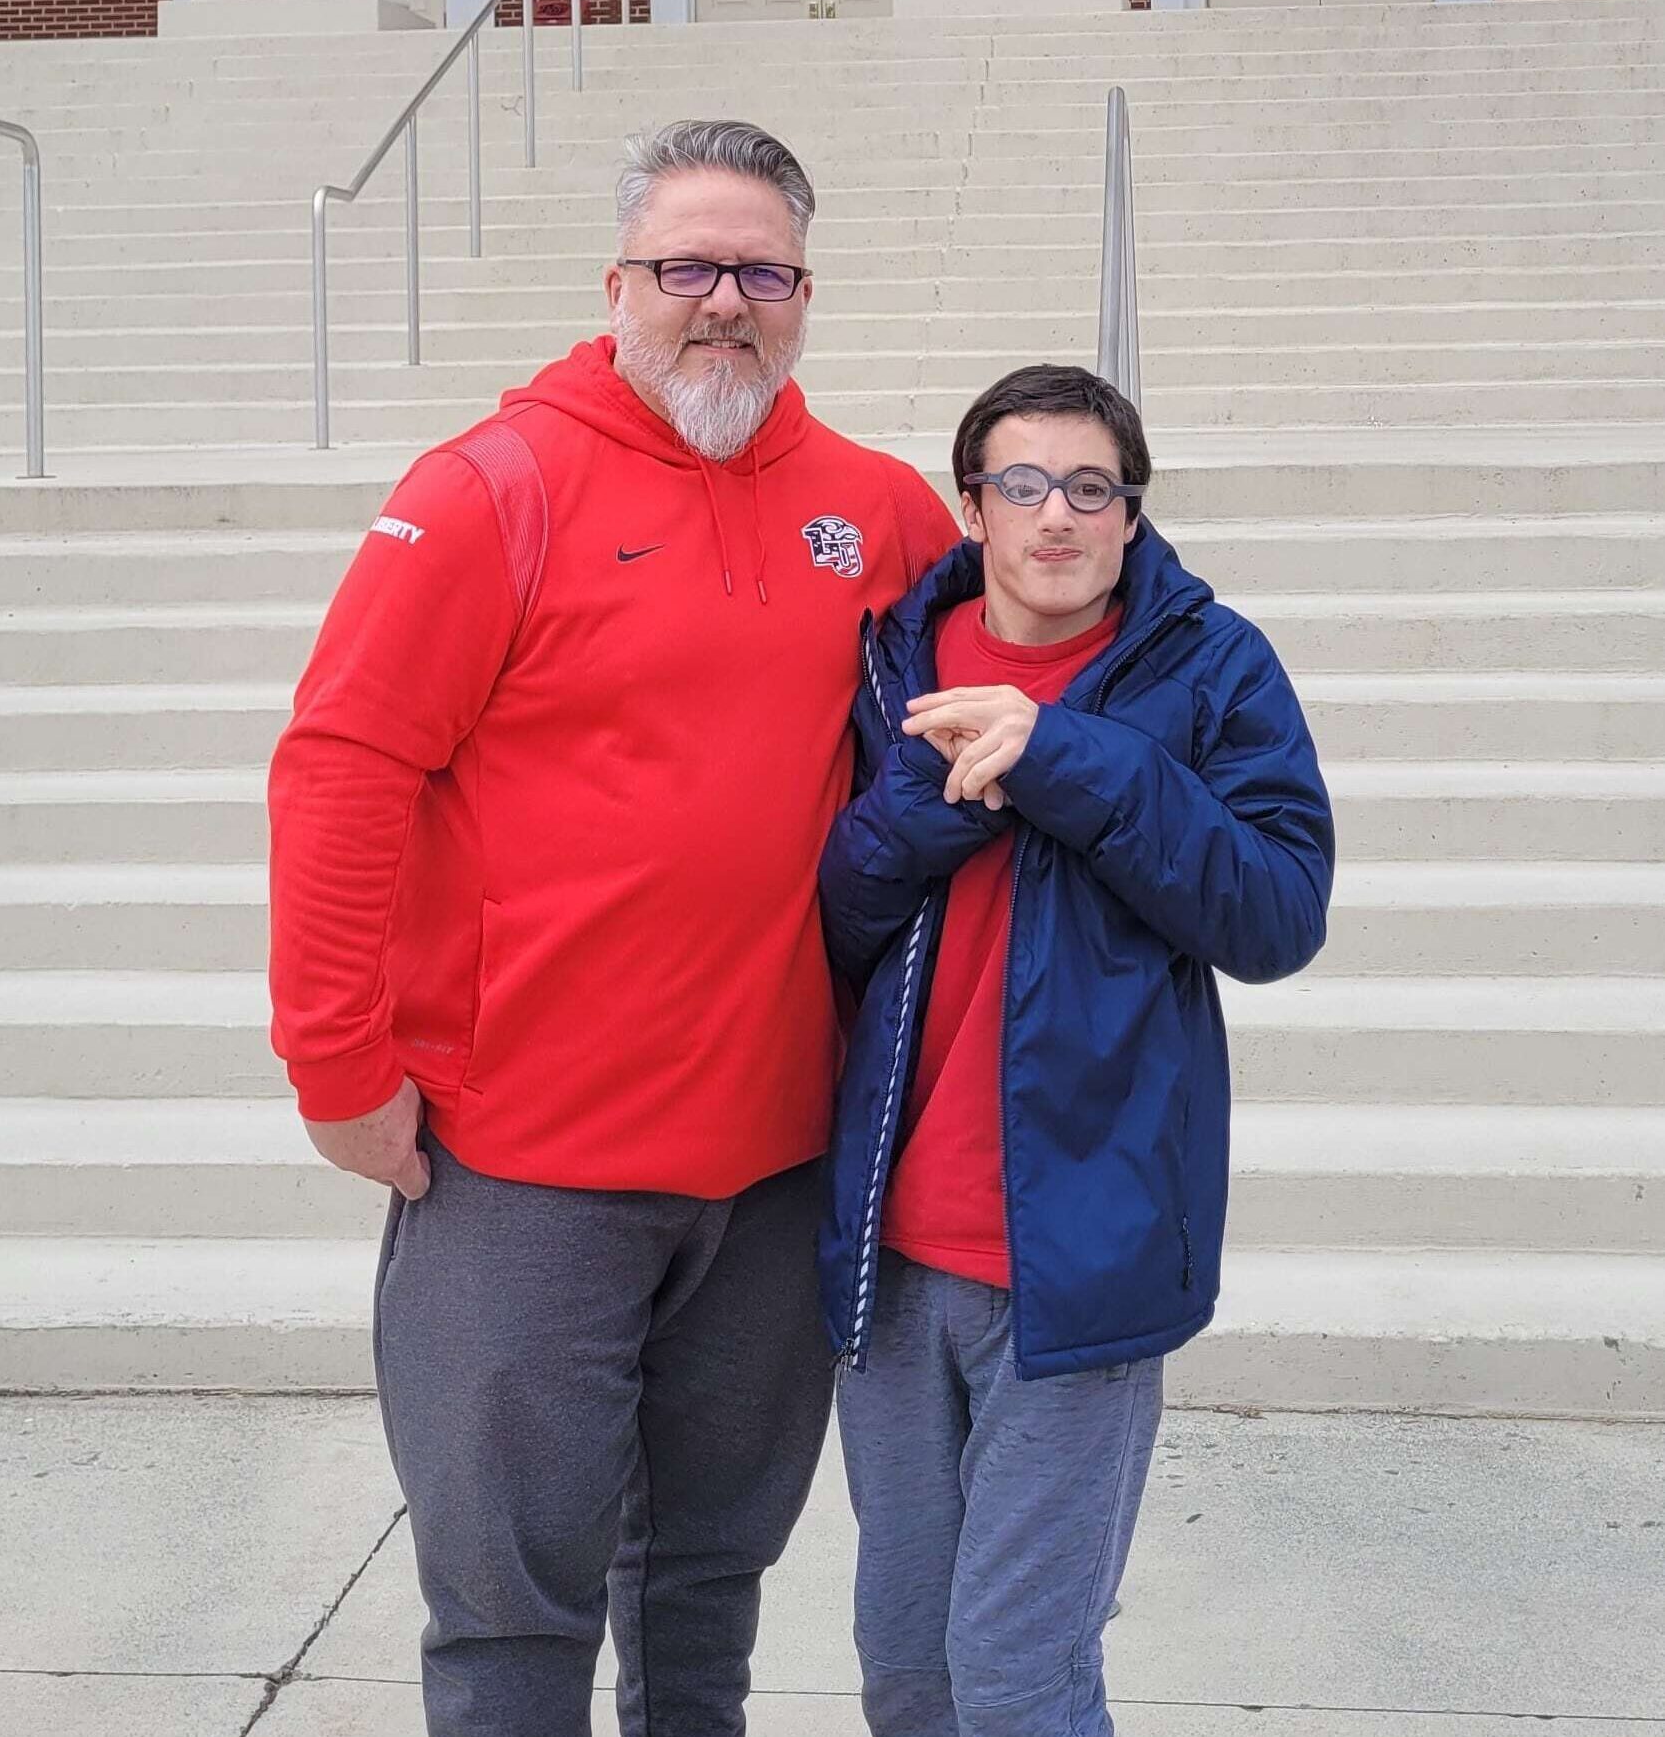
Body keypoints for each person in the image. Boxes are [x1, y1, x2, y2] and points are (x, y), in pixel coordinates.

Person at [267, 119, 961, 1736]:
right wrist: (334, 1061)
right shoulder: (486, 489)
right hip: (522, 1162)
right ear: (619, 284)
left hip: (776, 1156)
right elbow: (341, 770)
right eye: (689, 267)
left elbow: (1020, 686)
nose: (725, 302)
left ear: (803, 291)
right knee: (511, 1609)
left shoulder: (874, 512)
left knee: (707, 1581)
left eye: (762, 271)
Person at [817, 363, 1334, 1737]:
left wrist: (1060, 757)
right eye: (1023, 483)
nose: (1058, 515)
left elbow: (1275, 911)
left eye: (1091, 486)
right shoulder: (892, 659)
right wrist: (929, 807)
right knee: (907, 1667)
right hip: (893, 1249)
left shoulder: (1211, 665)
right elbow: (837, 916)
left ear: (1128, 512)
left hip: (1077, 1255)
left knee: (1013, 1676)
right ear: (970, 505)